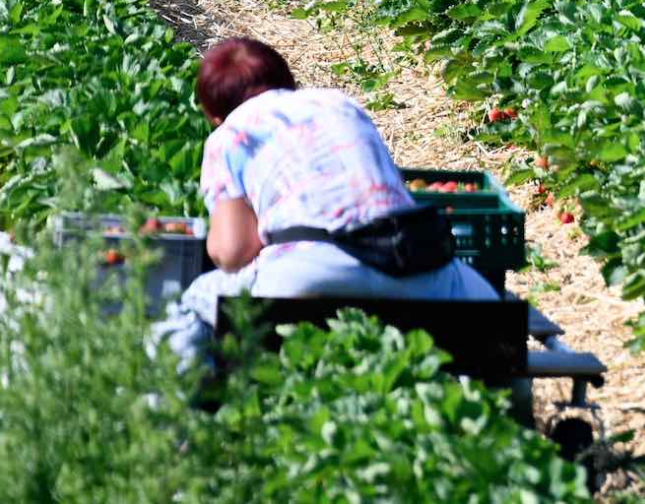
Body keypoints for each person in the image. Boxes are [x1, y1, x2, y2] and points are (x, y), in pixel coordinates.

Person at [151, 38, 496, 366]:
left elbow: (233, 252)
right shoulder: (342, 104)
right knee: (493, 312)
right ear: (289, 83)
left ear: (214, 114)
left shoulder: (230, 135)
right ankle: (513, 411)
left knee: (193, 304)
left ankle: (180, 414)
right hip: (415, 262)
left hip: (311, 271)